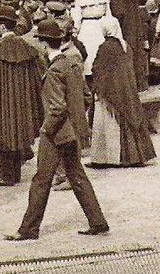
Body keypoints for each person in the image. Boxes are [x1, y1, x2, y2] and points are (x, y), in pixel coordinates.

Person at [6, 19, 109, 241]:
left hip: (57, 133)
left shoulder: (53, 71)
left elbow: (56, 108)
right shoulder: (71, 63)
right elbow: (86, 97)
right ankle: (97, 221)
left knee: (41, 180)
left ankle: (28, 229)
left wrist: (46, 129)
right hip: (73, 131)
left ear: (44, 44)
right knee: (77, 176)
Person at [88, 17, 155, 168]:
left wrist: (97, 86)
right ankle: (132, 156)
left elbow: (98, 69)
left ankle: (107, 158)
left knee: (108, 124)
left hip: (110, 93)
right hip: (126, 91)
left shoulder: (106, 47)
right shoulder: (126, 46)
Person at [0, 23, 44, 186]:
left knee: (3, 130)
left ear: (4, 27)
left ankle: (7, 175)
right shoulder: (25, 47)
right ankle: (16, 173)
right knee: (18, 130)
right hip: (22, 100)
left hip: (3, 99)